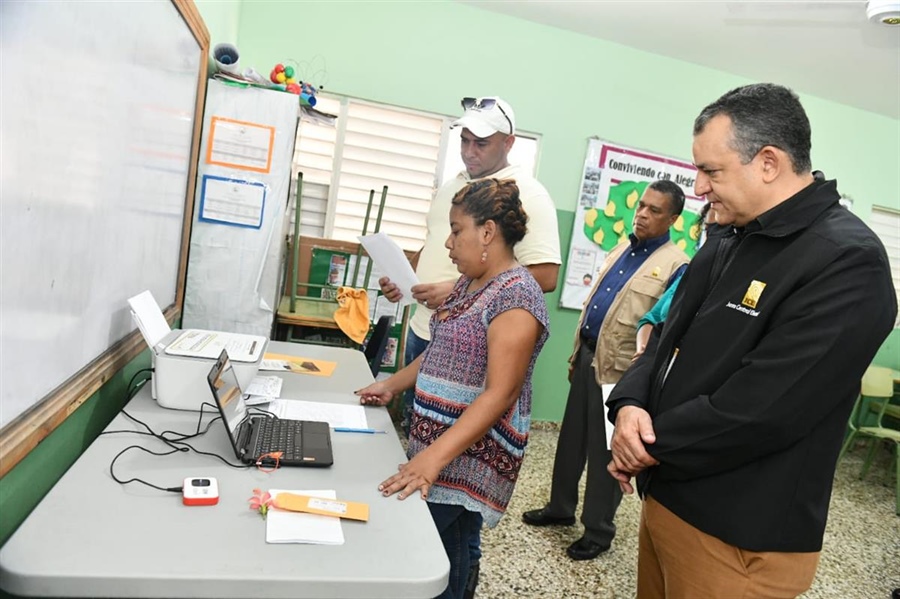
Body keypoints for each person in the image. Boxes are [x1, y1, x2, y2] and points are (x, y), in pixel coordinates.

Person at [607, 83, 897, 598]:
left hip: (737, 533)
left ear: (768, 162)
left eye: (711, 171)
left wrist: (642, 447)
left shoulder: (846, 261)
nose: (697, 188)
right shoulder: (728, 236)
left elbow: (764, 410)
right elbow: (665, 338)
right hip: (666, 496)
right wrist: (629, 405)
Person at [356, 179, 550, 599]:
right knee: (449, 548)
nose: (447, 242)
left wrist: (432, 458)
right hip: (441, 446)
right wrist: (391, 384)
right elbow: (441, 351)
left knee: (420, 547)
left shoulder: (517, 297)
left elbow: (501, 394)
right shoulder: (469, 283)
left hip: (469, 452)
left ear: (487, 232)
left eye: (456, 229)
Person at [522, 180, 689, 561]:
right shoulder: (621, 248)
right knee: (571, 442)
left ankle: (598, 531)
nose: (642, 214)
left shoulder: (677, 265)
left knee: (605, 454)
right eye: (641, 206)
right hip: (587, 358)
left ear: (674, 218)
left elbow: (664, 328)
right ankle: (559, 508)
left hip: (621, 373)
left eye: (654, 210)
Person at [379, 96, 561, 435]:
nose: (468, 151)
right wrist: (405, 278)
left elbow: (546, 276)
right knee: (417, 429)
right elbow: (434, 240)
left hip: (469, 344)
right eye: (464, 140)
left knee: (454, 434)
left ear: (508, 143)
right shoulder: (455, 184)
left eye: (481, 143)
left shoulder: (528, 194)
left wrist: (456, 291)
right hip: (424, 328)